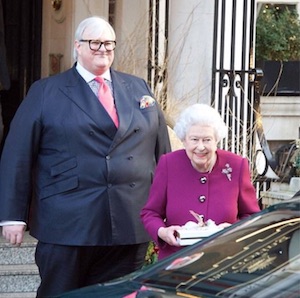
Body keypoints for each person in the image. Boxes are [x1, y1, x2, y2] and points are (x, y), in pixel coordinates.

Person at [0, 16, 171, 297]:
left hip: (129, 222)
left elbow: (162, 153)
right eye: (95, 43)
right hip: (68, 223)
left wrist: (169, 209)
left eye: (109, 43)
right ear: (77, 46)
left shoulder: (138, 87)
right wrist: (12, 216)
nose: (103, 49)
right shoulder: (46, 91)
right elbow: (17, 155)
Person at [141, 103, 260, 260]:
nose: (201, 147)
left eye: (207, 140)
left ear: (216, 140)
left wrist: (234, 230)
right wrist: (163, 232)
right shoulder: (168, 164)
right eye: (194, 139)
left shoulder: (236, 165)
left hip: (222, 262)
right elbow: (150, 213)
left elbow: (252, 216)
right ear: (184, 140)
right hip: (176, 262)